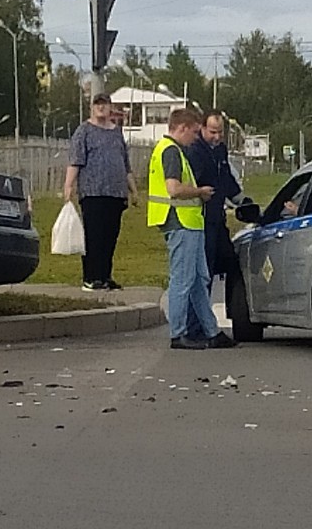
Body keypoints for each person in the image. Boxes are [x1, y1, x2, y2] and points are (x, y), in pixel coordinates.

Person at [149, 108, 236, 351]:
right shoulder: (171, 152)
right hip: (180, 221)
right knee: (183, 280)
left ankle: (211, 331)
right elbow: (174, 189)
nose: (195, 138)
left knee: (200, 279)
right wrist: (200, 192)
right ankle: (178, 334)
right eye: (194, 132)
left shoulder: (172, 150)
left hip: (190, 222)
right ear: (183, 128)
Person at [64, 94, 138, 291]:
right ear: (92, 107)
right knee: (93, 235)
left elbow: (125, 163)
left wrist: (133, 190)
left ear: (110, 107)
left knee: (109, 236)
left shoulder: (116, 132)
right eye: (98, 104)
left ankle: (105, 275)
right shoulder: (84, 131)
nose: (101, 108)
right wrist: (68, 185)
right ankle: (91, 276)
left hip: (115, 193)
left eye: (104, 104)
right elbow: (75, 160)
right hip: (93, 192)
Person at [185, 109, 251, 290]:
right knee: (203, 268)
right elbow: (190, 184)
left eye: (220, 132)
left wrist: (241, 200)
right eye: (213, 132)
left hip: (217, 216)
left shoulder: (220, 150)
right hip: (200, 217)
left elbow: (226, 179)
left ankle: (205, 310)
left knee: (225, 261)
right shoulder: (195, 150)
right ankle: (198, 314)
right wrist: (199, 192)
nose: (217, 136)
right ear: (202, 128)